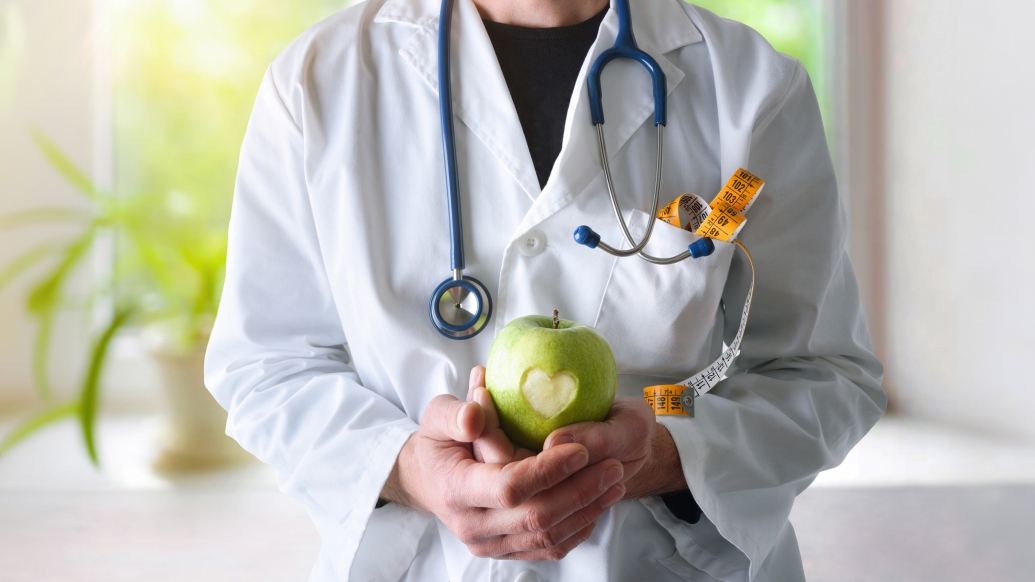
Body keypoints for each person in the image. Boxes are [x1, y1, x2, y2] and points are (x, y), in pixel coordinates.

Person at [204, 0, 886, 580]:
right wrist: (410, 468)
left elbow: (822, 374)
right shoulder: (318, 80)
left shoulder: (750, 88)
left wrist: (663, 455)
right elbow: (266, 364)